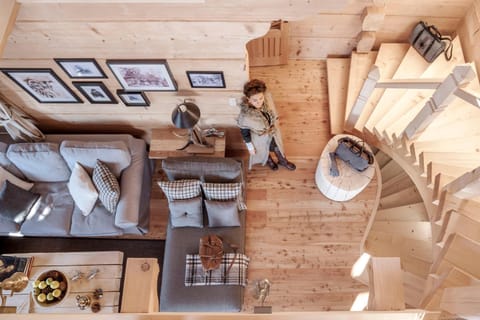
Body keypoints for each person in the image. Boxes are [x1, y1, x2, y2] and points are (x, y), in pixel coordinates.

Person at [236, 79, 296, 171]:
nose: (259, 102)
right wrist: (250, 146)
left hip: (272, 132)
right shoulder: (245, 116)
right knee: (264, 149)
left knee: (277, 147)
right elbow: (244, 132)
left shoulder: (267, 101)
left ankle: (282, 160)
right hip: (259, 136)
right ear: (248, 99)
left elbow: (271, 112)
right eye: (255, 100)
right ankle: (269, 161)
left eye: (261, 98)